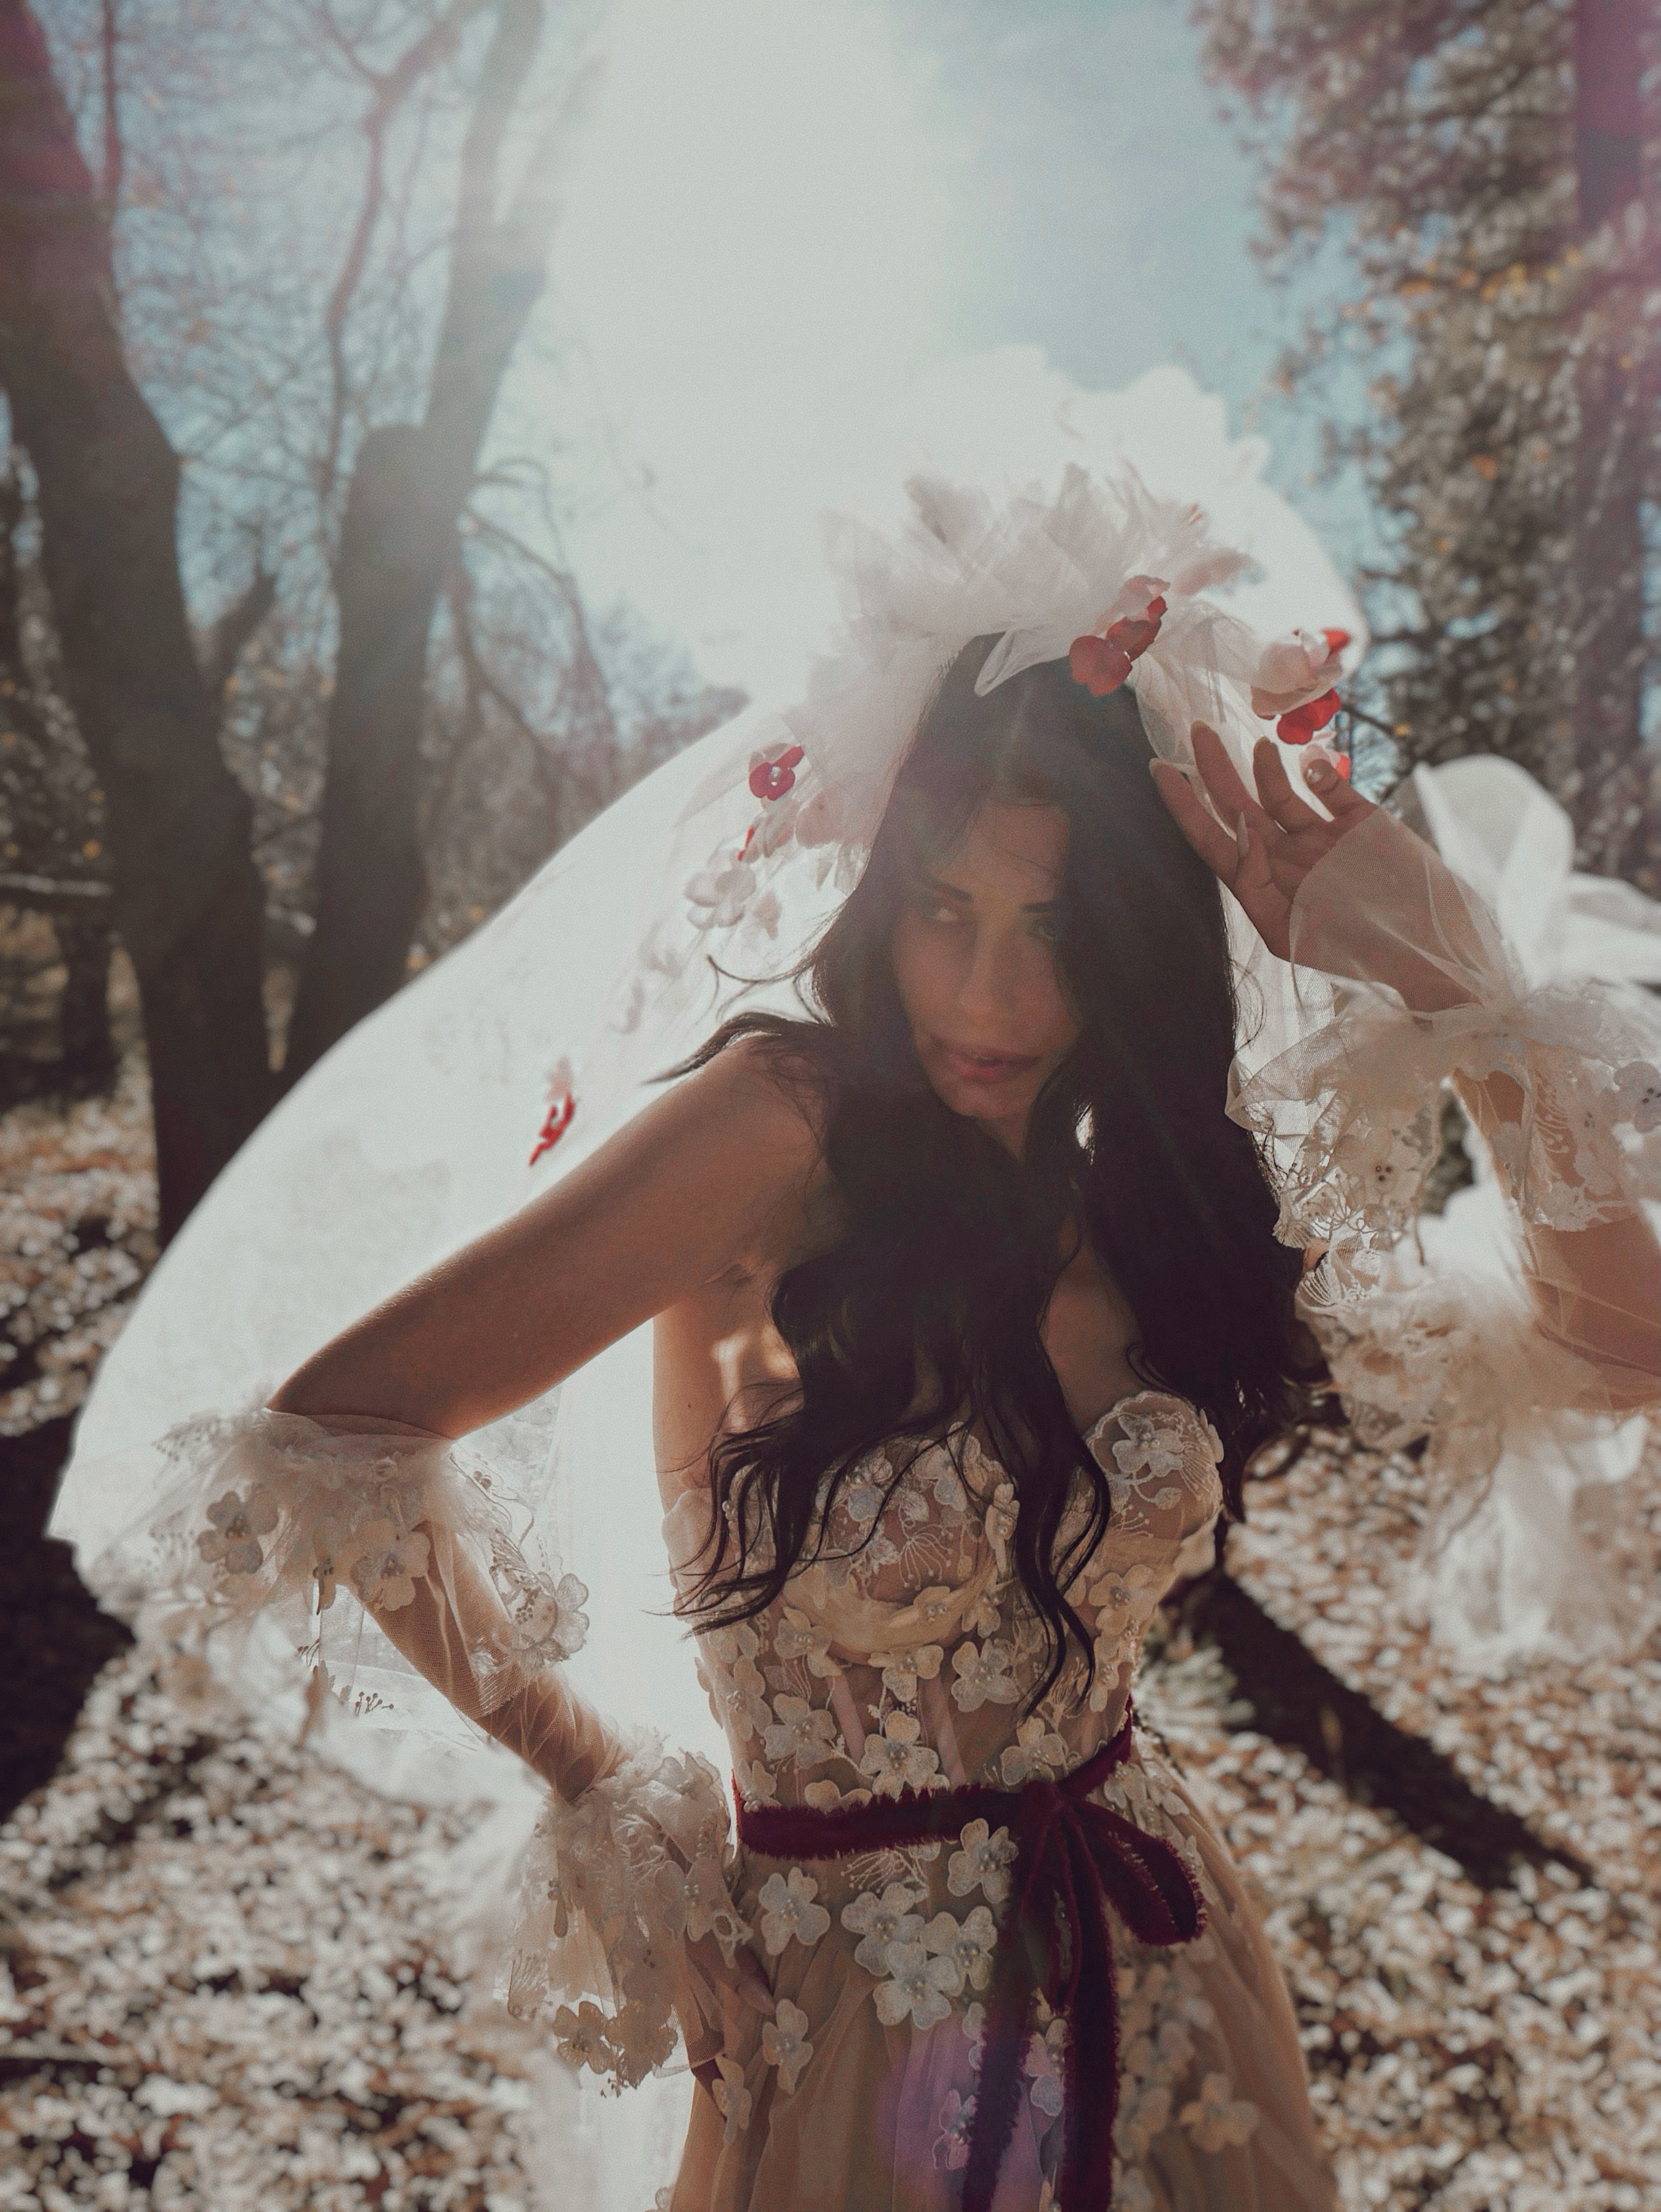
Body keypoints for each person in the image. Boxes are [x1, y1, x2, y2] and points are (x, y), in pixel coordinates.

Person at [75, 464, 1661, 2212]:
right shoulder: (778, 1122)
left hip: (1164, 1964)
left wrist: (1458, 986)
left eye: (1056, 928)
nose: (990, 1000)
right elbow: (339, 1429)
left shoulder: (1161, 1198)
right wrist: (611, 1795)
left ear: (1132, 942)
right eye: (946, 912)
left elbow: (1615, 1344)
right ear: (874, 900)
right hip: (846, 2018)